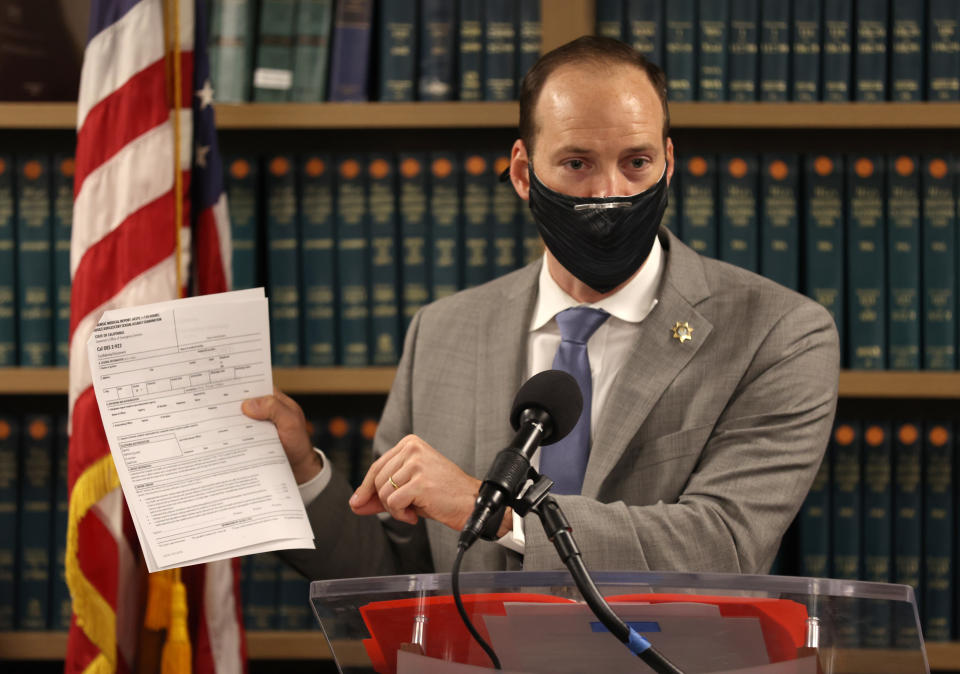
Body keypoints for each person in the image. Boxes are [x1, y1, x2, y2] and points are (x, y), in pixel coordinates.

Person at [243, 36, 840, 580]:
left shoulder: (778, 333)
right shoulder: (443, 331)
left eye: (636, 163)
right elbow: (394, 572)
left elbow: (727, 544)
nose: (609, 193)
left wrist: (498, 516)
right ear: (525, 173)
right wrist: (300, 473)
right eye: (577, 164)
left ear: (668, 163)